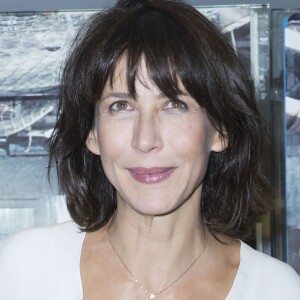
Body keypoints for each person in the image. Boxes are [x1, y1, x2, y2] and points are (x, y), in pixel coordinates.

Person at [0, 0, 300, 299]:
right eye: (121, 106)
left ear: (220, 129)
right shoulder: (23, 268)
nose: (145, 140)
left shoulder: (276, 289)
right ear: (92, 133)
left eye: (174, 104)